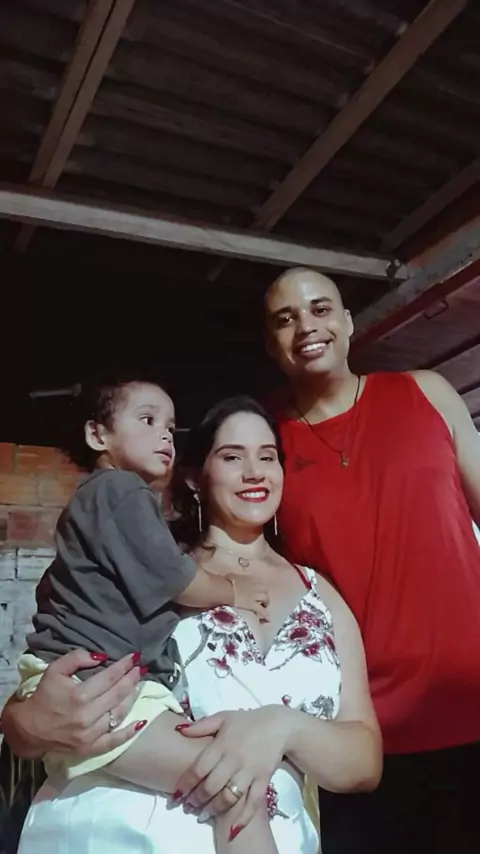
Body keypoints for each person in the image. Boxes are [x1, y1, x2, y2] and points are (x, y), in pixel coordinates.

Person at [6, 396, 381, 854]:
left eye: (267, 457)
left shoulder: (320, 595)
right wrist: (25, 723)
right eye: (232, 457)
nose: (254, 472)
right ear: (195, 478)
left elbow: (365, 763)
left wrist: (285, 727)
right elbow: (51, 657)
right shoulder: (141, 564)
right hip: (115, 833)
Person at [264, 266, 480, 854]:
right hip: (360, 736)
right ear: (272, 344)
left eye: (320, 309)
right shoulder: (270, 445)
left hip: (473, 701)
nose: (306, 326)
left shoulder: (426, 392)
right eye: (285, 319)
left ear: (348, 321)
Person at [14, 373, 268, 854]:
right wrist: (237, 590)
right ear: (98, 435)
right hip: (94, 689)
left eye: (170, 427)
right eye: (148, 420)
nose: (165, 436)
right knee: (235, 788)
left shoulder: (104, 502)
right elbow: (180, 581)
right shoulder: (120, 491)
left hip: (97, 689)